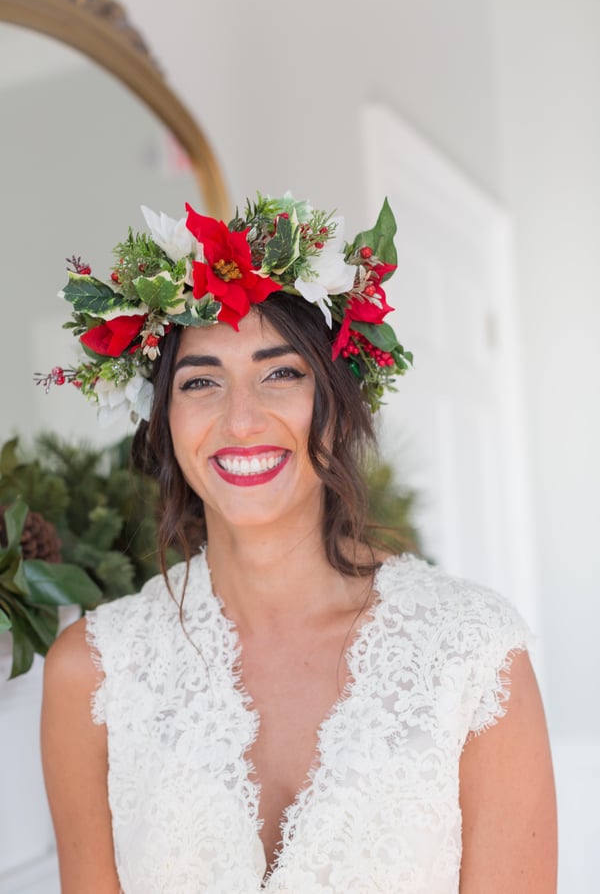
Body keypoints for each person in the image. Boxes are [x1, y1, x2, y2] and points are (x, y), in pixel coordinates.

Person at [40, 194, 557, 893]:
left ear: (338, 407)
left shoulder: (474, 653)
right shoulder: (92, 673)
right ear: (161, 422)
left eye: (281, 373)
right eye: (200, 382)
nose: (241, 419)